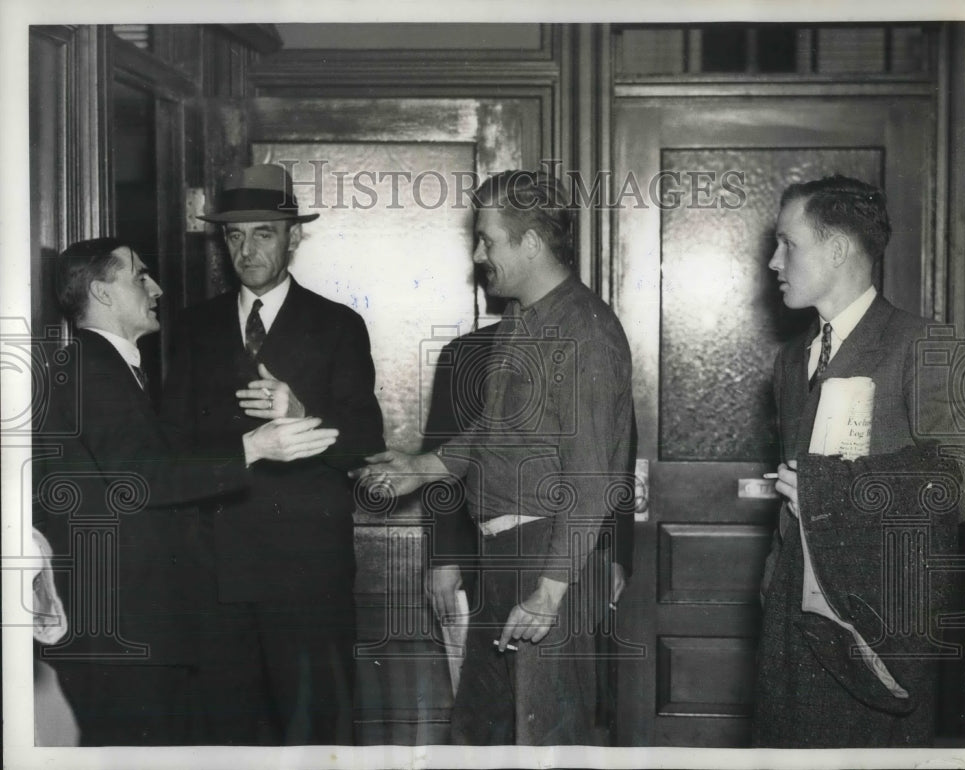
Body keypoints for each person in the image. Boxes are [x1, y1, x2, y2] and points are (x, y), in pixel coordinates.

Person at [353, 169, 636, 745]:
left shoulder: (584, 332)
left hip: (546, 555)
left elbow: (591, 479)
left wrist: (550, 592)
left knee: (545, 736)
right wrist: (420, 467)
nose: (479, 255)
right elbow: (492, 432)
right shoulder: (518, 320)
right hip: (502, 554)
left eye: (488, 240)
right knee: (482, 732)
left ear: (530, 243)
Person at [33, 237, 337, 746]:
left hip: (136, 616)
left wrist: (270, 425)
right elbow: (142, 476)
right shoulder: (90, 369)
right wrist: (252, 448)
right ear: (102, 293)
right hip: (121, 623)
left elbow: (165, 455)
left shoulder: (111, 367)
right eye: (140, 276)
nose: (156, 288)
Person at [160, 163, 385, 745]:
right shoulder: (192, 327)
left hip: (306, 574)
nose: (246, 248)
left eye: (262, 233)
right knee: (229, 737)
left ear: (294, 236)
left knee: (315, 731)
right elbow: (172, 448)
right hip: (218, 571)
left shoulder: (338, 326)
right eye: (233, 235)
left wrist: (301, 409)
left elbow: (365, 445)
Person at [753, 175, 965, 747]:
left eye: (787, 244)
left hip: (874, 629)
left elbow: (960, 480)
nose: (774, 261)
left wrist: (836, 489)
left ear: (839, 248)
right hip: (792, 626)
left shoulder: (922, 344)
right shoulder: (791, 359)